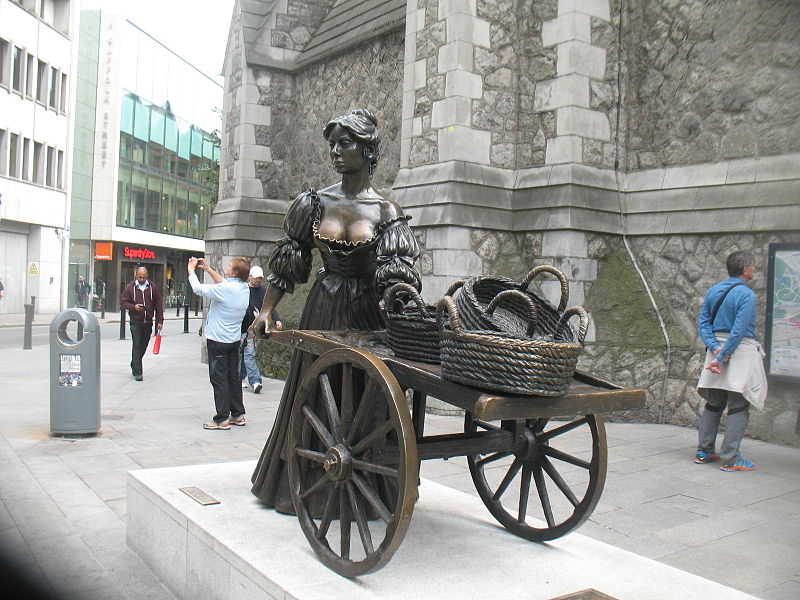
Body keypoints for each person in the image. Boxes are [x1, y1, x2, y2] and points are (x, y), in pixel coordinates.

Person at [249, 109, 421, 512]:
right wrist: (267, 309)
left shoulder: (385, 212)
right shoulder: (314, 202)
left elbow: (397, 276)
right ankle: (304, 484)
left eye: (346, 143)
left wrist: (402, 306)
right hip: (323, 307)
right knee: (312, 393)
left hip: (365, 312)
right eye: (333, 143)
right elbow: (290, 260)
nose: (336, 151)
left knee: (363, 397)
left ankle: (364, 489)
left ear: (368, 150)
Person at [696, 250, 767, 472]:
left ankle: (704, 450)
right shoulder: (747, 295)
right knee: (738, 405)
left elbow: (703, 323)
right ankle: (731, 457)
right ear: (746, 269)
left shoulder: (714, 290)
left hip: (715, 350)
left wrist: (716, 349)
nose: (755, 269)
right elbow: (739, 329)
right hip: (739, 353)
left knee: (714, 403)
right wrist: (725, 354)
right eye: (753, 265)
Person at [188, 256, 250, 430]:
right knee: (233, 378)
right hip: (233, 340)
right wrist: (207, 269)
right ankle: (237, 414)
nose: (227, 267)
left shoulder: (226, 289)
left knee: (219, 379)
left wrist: (191, 271)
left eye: (229, 266)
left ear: (235, 272)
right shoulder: (244, 288)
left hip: (218, 340)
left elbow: (198, 289)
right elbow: (224, 283)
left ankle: (221, 418)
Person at [240, 265, 283, 394]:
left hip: (253, 329)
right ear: (250, 276)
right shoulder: (242, 290)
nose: (259, 280)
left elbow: (270, 307)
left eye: (260, 278)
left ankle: (254, 381)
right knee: (243, 354)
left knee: (248, 354)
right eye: (257, 277)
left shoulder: (263, 292)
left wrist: (277, 319)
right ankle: (246, 379)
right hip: (240, 327)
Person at [121, 267, 164, 381]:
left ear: (147, 275)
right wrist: (133, 307)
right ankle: (138, 372)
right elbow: (124, 302)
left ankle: (134, 363)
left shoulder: (152, 287)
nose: (142, 279)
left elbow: (158, 305)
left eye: (144, 277)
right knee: (137, 345)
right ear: (136, 275)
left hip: (148, 321)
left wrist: (160, 321)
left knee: (143, 345)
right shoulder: (130, 288)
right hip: (135, 321)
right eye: (140, 277)